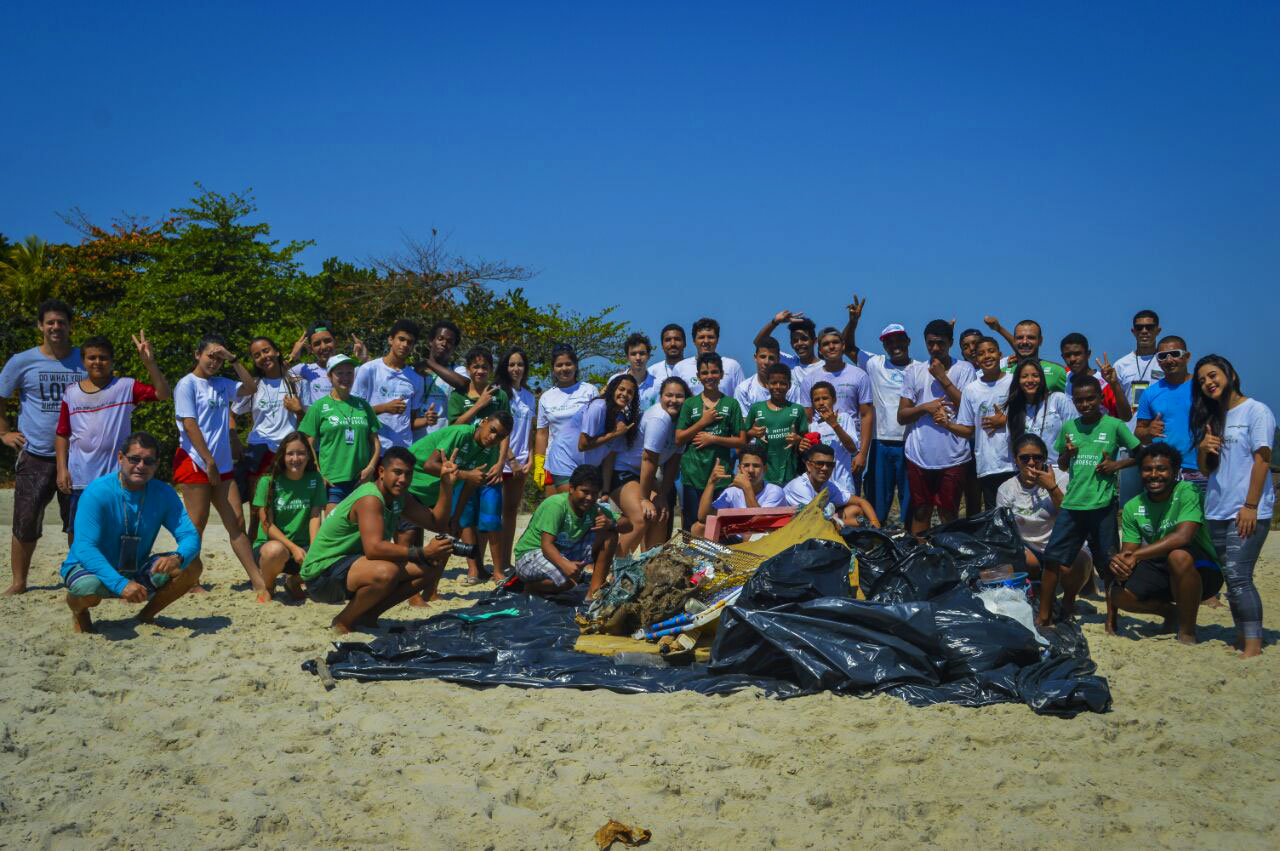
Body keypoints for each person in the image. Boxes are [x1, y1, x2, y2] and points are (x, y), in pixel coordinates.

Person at [299, 447, 458, 633]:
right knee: (387, 572)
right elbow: (374, 549)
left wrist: (446, 485)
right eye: (397, 473)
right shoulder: (370, 498)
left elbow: (436, 523)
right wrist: (422, 552)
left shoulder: (399, 497)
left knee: (430, 568)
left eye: (408, 474)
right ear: (381, 472)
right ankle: (343, 621)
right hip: (321, 575)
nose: (403, 480)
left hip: (350, 566)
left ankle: (368, 615)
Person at [59, 432, 203, 633]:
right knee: (88, 589)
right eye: (134, 459)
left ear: (156, 464)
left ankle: (145, 616)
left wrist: (178, 558)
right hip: (88, 567)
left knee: (192, 565)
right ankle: (79, 610)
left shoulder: (164, 493)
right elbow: (84, 547)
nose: (141, 465)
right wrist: (120, 584)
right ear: (120, 458)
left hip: (133, 569)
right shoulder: (97, 492)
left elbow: (190, 536)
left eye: (148, 461)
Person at [1037, 374, 1141, 626]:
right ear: (1074, 401)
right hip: (1072, 505)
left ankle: (1111, 619)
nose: (1085, 405)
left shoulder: (1114, 425)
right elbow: (1062, 463)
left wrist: (1116, 464)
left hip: (1102, 506)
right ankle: (1044, 616)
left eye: (1090, 399)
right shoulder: (1069, 427)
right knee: (1052, 559)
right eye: (1080, 400)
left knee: (1108, 564)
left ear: (1099, 399)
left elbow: (1140, 455)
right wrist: (1067, 455)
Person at [0, 299, 86, 594]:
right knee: (25, 520)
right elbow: (1, 393)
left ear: (70, 325)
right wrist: (4, 432)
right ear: (40, 326)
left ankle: (79, 577)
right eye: (50, 322)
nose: (56, 327)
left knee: (77, 523)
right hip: (35, 454)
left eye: (61, 322)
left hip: (77, 456)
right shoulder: (22, 361)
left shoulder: (84, 360)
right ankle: (19, 582)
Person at [172, 334, 266, 597]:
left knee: (236, 520)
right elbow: (190, 425)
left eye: (218, 357)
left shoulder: (222, 384)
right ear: (197, 354)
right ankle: (190, 579)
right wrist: (209, 461)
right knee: (197, 523)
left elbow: (251, 388)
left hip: (222, 465)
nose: (214, 361)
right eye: (210, 355)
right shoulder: (186, 385)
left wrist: (233, 360)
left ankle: (257, 578)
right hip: (195, 462)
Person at [1193, 354, 1273, 657]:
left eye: (1213, 376)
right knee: (1232, 575)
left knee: (1239, 576)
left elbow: (1262, 460)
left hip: (1248, 509)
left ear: (1232, 375)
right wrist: (1203, 450)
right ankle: (1242, 635)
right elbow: (1206, 470)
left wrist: (1251, 505)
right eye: (1201, 381)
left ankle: (1253, 643)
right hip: (1217, 508)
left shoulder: (1256, 411)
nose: (1208, 383)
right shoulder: (1214, 418)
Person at [55, 332, 169, 540]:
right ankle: (80, 571)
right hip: (81, 478)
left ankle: (113, 571)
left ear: (111, 361)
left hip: (117, 478)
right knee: (78, 531)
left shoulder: (125, 386)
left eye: (103, 357)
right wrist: (61, 469)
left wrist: (150, 363)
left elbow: (163, 394)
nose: (97, 362)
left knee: (117, 530)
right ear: (83, 361)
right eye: (92, 357)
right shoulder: (70, 393)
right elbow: (62, 434)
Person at [1110, 443, 1223, 644]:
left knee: (1178, 555)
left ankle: (1187, 631)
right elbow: (1128, 552)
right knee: (1120, 593)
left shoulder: (1187, 490)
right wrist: (1121, 563)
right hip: (1160, 565)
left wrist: (1136, 556)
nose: (1154, 474)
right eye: (1147, 469)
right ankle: (1171, 612)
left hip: (1202, 569)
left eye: (1161, 469)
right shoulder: (1132, 506)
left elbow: (1183, 537)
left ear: (1175, 472)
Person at [405, 414, 512, 585]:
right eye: (492, 431)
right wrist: (465, 474)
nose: (493, 438)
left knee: (449, 536)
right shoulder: (461, 434)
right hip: (409, 485)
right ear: (483, 422)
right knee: (407, 540)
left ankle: (430, 591)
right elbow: (429, 465)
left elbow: (469, 486)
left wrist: (457, 518)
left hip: (433, 493)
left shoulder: (490, 452)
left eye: (500, 436)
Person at [898, 320, 976, 535]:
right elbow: (902, 416)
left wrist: (942, 377)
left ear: (951, 342)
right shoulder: (914, 370)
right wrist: (925, 407)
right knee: (921, 511)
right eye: (930, 343)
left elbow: (968, 407)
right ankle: (919, 560)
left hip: (954, 454)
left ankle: (948, 560)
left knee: (948, 512)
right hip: (919, 453)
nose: (934, 348)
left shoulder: (965, 369)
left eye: (940, 343)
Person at [842, 295, 914, 525]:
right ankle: (877, 541)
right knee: (877, 500)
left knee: (910, 499)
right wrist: (853, 321)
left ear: (908, 341)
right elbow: (848, 347)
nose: (895, 346)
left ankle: (911, 542)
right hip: (879, 442)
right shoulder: (875, 363)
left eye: (899, 340)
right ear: (883, 345)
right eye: (890, 342)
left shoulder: (920, 369)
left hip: (910, 442)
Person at [512, 464, 630, 598]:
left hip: (561, 552)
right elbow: (546, 545)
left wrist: (611, 523)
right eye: (585, 491)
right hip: (530, 555)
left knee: (610, 534)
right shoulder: (556, 505)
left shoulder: (594, 508)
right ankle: (529, 586)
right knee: (568, 582)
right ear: (571, 488)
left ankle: (594, 592)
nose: (590, 498)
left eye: (594, 493)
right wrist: (565, 564)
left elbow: (628, 525)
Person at [996, 434, 1092, 583]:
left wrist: (1052, 488)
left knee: (1077, 561)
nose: (1032, 463)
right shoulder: (1006, 489)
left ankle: (1069, 599)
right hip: (1029, 548)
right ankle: (1037, 584)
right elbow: (1004, 530)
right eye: (1024, 458)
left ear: (1045, 458)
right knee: (1021, 562)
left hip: (1061, 545)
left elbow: (1072, 518)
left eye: (1037, 457)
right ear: (1016, 459)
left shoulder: (1061, 478)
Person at [232, 337, 304, 535]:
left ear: (277, 351)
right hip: (259, 451)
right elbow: (232, 414)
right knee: (257, 510)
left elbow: (309, 419)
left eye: (266, 351)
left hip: (289, 451)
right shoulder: (252, 385)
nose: (263, 357)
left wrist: (299, 411)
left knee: (288, 505)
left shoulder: (296, 383)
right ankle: (253, 557)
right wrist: (234, 440)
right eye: (257, 355)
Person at [297, 354, 381, 508]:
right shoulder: (319, 407)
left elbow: (375, 442)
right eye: (340, 373)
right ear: (330, 376)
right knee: (333, 529)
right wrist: (318, 472)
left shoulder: (364, 405)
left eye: (349, 372)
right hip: (333, 482)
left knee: (359, 529)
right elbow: (307, 444)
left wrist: (371, 468)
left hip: (361, 480)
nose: (345, 377)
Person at [676, 353, 747, 530]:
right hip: (693, 473)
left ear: (722, 374)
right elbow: (679, 438)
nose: (710, 377)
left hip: (720, 474)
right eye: (705, 373)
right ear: (698, 376)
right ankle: (688, 557)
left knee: (718, 524)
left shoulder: (731, 404)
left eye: (714, 372)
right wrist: (702, 423)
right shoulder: (690, 404)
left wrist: (713, 438)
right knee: (693, 523)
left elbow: (741, 441)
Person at [941, 337, 1014, 510]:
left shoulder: (1013, 382)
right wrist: (947, 424)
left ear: (1000, 354)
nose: (987, 356)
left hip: (1014, 463)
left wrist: (1006, 420)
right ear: (976, 360)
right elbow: (967, 430)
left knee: (1018, 514)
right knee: (994, 515)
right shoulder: (971, 389)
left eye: (991, 351)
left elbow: (1030, 416)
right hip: (987, 465)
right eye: (981, 354)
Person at [252, 431, 324, 601]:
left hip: (303, 547)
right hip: (272, 549)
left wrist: (314, 549)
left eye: (301, 453)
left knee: (332, 553)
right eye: (290, 453)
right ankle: (268, 586)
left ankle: (294, 581)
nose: (296, 458)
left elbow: (315, 516)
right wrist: (292, 548)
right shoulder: (268, 481)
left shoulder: (315, 479)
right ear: (282, 456)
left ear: (308, 456)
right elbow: (266, 525)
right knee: (275, 550)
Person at [1136, 336, 1202, 489]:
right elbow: (1139, 433)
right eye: (1163, 356)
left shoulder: (1203, 388)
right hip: (1163, 471)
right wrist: (1148, 432)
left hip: (1200, 468)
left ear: (1187, 356)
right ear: (1158, 360)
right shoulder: (1150, 394)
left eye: (1175, 354)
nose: (1169, 359)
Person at [352, 319, 427, 452]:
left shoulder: (417, 379)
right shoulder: (369, 369)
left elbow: (411, 421)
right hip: (372, 448)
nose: (405, 345)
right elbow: (352, 411)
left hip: (402, 450)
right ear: (390, 340)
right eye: (401, 339)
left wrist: (428, 420)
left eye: (410, 342)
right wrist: (384, 408)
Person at [1114, 310, 1163, 506]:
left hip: (1159, 441)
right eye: (1139, 327)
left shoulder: (1166, 361)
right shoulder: (1121, 365)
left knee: (1161, 500)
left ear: (1158, 330)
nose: (1144, 331)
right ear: (1133, 331)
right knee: (1131, 503)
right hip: (1130, 443)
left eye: (1149, 327)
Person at [494, 347, 537, 575]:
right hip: (503, 461)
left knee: (511, 513)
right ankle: (493, 564)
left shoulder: (529, 396)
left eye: (520, 364)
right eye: (511, 364)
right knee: (494, 512)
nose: (516, 369)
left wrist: (529, 458)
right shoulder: (500, 392)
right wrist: (510, 459)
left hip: (522, 463)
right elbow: (499, 429)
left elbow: (529, 430)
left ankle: (505, 560)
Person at [533, 344, 597, 495]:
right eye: (559, 365)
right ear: (553, 368)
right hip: (553, 463)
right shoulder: (546, 397)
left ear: (575, 366)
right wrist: (539, 465)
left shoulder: (589, 391)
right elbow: (542, 433)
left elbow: (597, 428)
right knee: (554, 510)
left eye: (568, 364)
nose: (564, 368)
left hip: (583, 462)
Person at [634, 377, 689, 549]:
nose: (673, 400)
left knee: (662, 511)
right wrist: (645, 498)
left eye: (679, 396)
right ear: (660, 397)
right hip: (632, 469)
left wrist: (662, 495)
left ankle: (651, 560)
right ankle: (640, 561)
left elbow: (674, 462)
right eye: (669, 395)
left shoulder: (683, 420)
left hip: (650, 472)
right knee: (650, 512)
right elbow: (648, 459)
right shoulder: (659, 417)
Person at [691, 446, 787, 538]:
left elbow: (759, 524)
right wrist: (711, 482)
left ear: (765, 469)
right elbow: (703, 517)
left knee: (749, 535)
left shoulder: (775, 491)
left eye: (756, 466)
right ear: (739, 468)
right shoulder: (732, 491)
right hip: (738, 537)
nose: (751, 470)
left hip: (766, 540)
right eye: (746, 465)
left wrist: (747, 488)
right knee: (698, 528)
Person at [799, 327, 874, 442]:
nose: (831, 346)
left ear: (843, 346)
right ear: (820, 350)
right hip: (820, 447)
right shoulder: (809, 379)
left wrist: (863, 454)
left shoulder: (860, 375)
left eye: (835, 342)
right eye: (826, 344)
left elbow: (866, 415)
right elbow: (808, 419)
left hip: (851, 446)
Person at [782, 443, 879, 528]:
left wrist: (875, 524)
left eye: (829, 465)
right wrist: (860, 523)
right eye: (819, 464)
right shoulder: (799, 486)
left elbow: (860, 501)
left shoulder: (828, 485)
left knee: (855, 510)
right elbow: (814, 522)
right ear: (808, 465)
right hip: (793, 529)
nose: (824, 468)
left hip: (817, 523)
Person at [744, 363, 808, 486]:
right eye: (773, 383)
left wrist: (798, 439)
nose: (778, 387)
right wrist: (752, 433)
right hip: (763, 476)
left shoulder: (797, 410)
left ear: (789, 385)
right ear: (767, 384)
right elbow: (742, 439)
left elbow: (807, 442)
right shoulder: (756, 409)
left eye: (782, 383)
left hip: (791, 474)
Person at [1005, 358, 1078, 464]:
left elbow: (1075, 435)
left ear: (1042, 378)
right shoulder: (1014, 409)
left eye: (1035, 375)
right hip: (1027, 471)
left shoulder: (1058, 399)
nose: (1030, 380)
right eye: (1024, 376)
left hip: (1058, 470)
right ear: (1018, 381)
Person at [286, 321, 370, 408]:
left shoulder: (352, 369)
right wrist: (292, 356)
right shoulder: (305, 369)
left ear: (336, 342)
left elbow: (377, 378)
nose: (323, 347)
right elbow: (275, 375)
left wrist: (365, 358)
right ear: (311, 349)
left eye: (327, 341)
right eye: (317, 344)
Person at [580, 374, 640, 491]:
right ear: (613, 389)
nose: (625, 394)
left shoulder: (621, 419)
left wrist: (605, 491)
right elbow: (582, 445)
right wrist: (614, 434)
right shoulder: (598, 406)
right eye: (621, 389)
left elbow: (610, 456)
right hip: (568, 465)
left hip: (589, 470)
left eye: (630, 392)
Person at [982, 316, 1068, 392]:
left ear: (1040, 340)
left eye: (1031, 337)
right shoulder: (1002, 373)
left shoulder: (1057, 372)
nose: (1024, 341)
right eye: (1019, 338)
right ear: (1014, 341)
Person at [807, 381, 862, 496]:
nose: (821, 403)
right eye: (817, 400)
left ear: (834, 400)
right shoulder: (813, 427)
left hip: (844, 486)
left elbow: (853, 449)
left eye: (825, 398)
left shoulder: (844, 418)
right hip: (821, 489)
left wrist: (834, 425)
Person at [413, 320, 463, 438]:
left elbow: (463, 383)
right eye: (440, 339)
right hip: (413, 441)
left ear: (454, 347)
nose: (444, 343)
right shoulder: (414, 370)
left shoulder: (456, 370)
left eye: (450, 342)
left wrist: (430, 364)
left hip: (440, 440)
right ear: (431, 341)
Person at [675, 317, 746, 397]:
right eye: (701, 337)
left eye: (710, 337)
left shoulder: (732, 366)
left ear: (717, 339)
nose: (706, 341)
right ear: (694, 340)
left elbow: (742, 398)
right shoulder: (680, 368)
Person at [733, 337, 801, 416]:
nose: (766, 362)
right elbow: (744, 424)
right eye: (762, 357)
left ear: (778, 359)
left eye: (771, 358)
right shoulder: (743, 390)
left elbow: (797, 419)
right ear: (755, 357)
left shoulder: (791, 389)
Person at [752, 310, 820, 385]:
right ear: (791, 344)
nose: (799, 343)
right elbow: (759, 343)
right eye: (795, 340)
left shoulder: (825, 367)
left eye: (804, 339)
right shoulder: (789, 362)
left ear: (815, 341)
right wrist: (775, 322)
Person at [614, 333, 659, 411]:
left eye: (642, 353)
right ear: (627, 357)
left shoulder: (658, 385)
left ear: (648, 356)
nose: (638, 358)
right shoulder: (615, 380)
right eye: (633, 354)